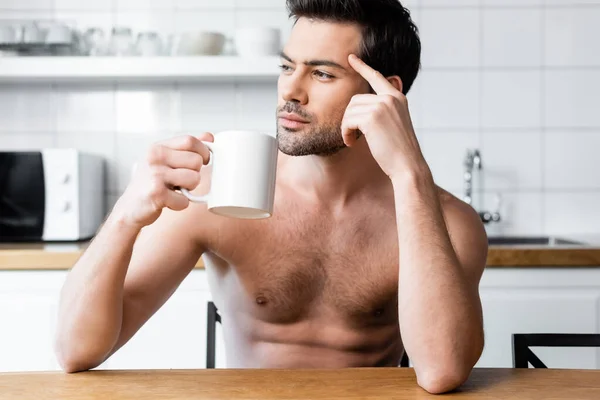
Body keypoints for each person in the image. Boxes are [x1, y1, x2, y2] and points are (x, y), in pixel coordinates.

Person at [54, 0, 487, 394]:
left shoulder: (446, 221)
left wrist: (410, 173)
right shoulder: (216, 192)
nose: (290, 91)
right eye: (286, 67)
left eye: (321, 73)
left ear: (383, 93)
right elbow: (77, 350)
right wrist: (124, 217)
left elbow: (442, 369)